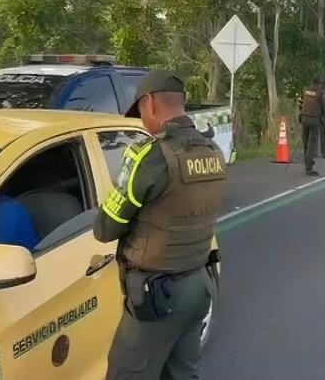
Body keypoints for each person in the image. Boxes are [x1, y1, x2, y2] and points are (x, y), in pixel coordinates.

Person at [94, 70, 226, 379]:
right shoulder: (213, 152)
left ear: (150, 103)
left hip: (159, 297)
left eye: (140, 111)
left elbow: (105, 229)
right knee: (182, 374)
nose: (141, 120)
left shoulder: (151, 156)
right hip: (199, 285)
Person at [299, 78, 325, 176]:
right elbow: (324, 107)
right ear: (320, 84)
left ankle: (307, 163)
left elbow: (301, 103)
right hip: (314, 119)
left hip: (304, 118)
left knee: (306, 142)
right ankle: (309, 168)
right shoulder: (320, 93)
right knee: (312, 143)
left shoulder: (306, 91)